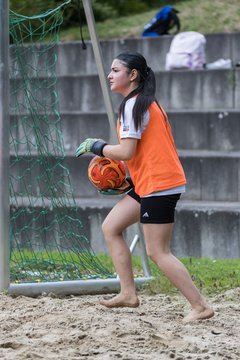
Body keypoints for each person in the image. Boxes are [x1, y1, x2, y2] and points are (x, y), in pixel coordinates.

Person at [75, 52, 214, 322]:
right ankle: (128, 293)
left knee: (157, 251)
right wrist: (128, 182)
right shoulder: (141, 103)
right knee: (111, 227)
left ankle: (200, 307)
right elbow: (145, 152)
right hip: (150, 181)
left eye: (115, 70)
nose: (110, 75)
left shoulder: (134, 105)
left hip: (159, 185)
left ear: (133, 74)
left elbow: (126, 151)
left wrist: (97, 147)